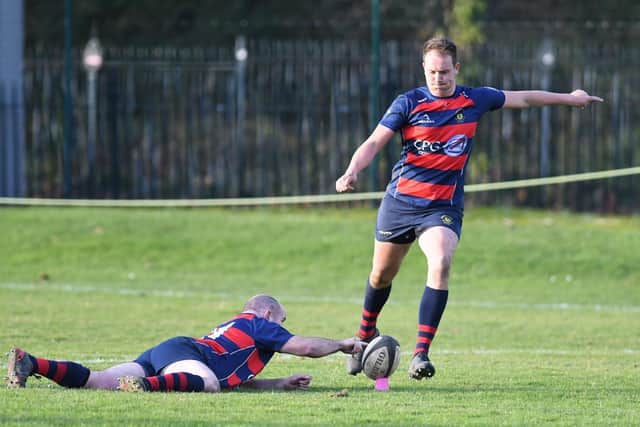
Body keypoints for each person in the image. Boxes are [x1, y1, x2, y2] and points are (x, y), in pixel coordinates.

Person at [335, 37, 603, 381]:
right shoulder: (408, 103)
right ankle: (364, 334)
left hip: (442, 207)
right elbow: (374, 141)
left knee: (442, 260)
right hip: (400, 203)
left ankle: (421, 353)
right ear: (423, 69)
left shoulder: (474, 99)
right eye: (432, 71)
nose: (438, 78)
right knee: (381, 275)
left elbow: (522, 98)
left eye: (444, 71)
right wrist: (352, 170)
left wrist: (571, 99)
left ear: (456, 69)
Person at [6, 294, 365, 392]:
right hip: (186, 356)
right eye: (283, 321)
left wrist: (279, 383)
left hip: (172, 353)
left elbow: (236, 380)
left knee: (98, 381)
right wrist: (342, 344)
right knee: (205, 383)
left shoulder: (235, 328)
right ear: (268, 313)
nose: (284, 329)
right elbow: (305, 347)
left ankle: (30, 362)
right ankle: (145, 386)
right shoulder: (259, 325)